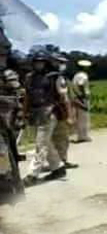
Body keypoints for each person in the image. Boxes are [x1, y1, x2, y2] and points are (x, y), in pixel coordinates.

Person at [23, 52, 66, 186]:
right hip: (35, 113)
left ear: (46, 63)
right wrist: (24, 112)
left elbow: (63, 97)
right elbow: (27, 97)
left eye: (41, 62)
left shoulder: (54, 78)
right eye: (36, 62)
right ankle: (58, 168)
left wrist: (68, 115)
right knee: (46, 143)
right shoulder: (29, 78)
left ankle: (32, 174)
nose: (39, 64)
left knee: (40, 144)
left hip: (49, 112)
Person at [0, 42, 25, 202]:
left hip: (3, 122)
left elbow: (19, 97)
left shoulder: (8, 75)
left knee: (5, 156)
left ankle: (12, 191)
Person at [49, 54, 77, 170]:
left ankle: (54, 162)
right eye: (60, 62)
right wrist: (70, 114)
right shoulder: (59, 78)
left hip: (46, 112)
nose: (63, 65)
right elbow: (64, 97)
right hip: (59, 111)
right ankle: (61, 161)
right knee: (62, 137)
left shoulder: (43, 76)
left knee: (50, 138)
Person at [70, 59, 92, 143]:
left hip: (76, 97)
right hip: (82, 98)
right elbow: (81, 84)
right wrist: (83, 95)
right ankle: (84, 136)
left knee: (79, 117)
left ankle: (80, 135)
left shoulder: (76, 75)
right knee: (84, 117)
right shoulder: (83, 75)